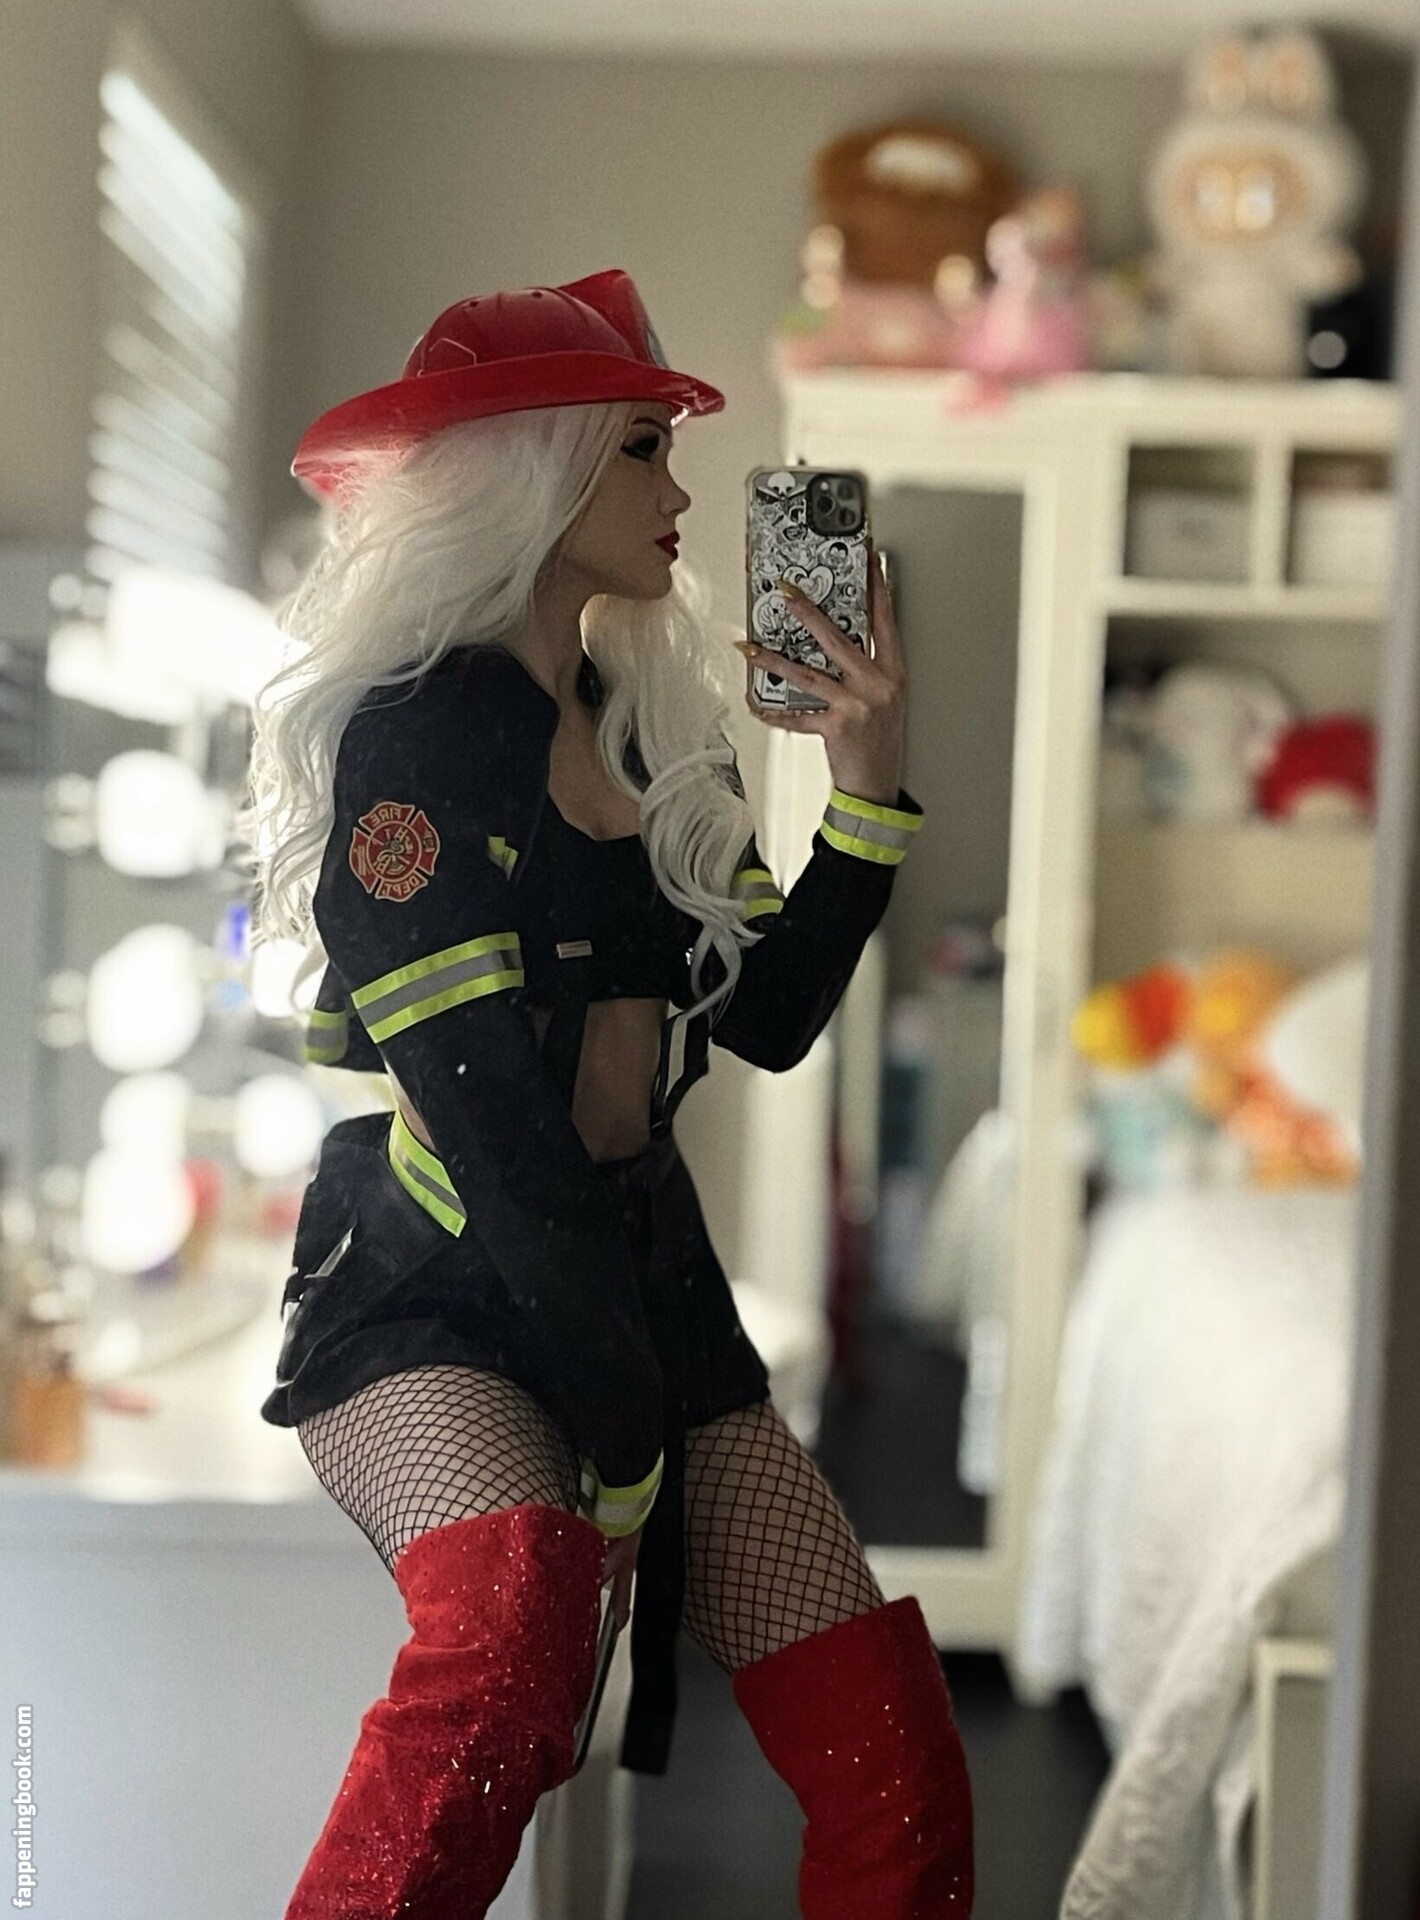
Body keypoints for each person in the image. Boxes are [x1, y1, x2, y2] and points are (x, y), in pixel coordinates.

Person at [241, 267, 973, 1919]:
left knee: (895, 1754)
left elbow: (770, 1020)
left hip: (642, 1277)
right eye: (643, 448)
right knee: (510, 1646)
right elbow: (503, 1149)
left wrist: (866, 786)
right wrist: (623, 1459)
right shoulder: (415, 743)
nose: (682, 491)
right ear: (538, 469)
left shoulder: (643, 725)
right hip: (442, 1285)